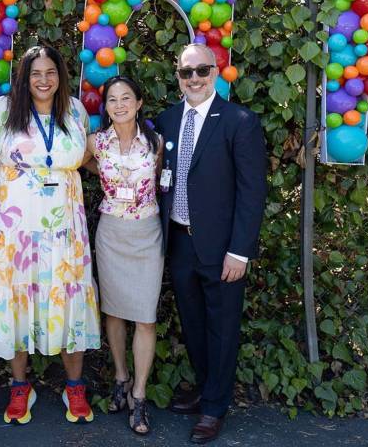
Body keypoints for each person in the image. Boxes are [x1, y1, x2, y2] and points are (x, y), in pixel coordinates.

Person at [154, 44, 268, 444]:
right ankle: (206, 389)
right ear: (178, 76)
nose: (195, 79)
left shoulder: (239, 121)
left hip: (223, 249)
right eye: (188, 73)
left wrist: (240, 251)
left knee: (222, 327)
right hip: (180, 242)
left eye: (203, 70)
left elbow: (252, 192)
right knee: (194, 325)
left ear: (216, 72)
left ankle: (215, 407)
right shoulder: (166, 121)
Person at [0, 45, 101, 425]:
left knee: (69, 298)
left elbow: (86, 157)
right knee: (17, 297)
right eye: (36, 73)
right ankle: (20, 388)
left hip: (65, 229)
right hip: (15, 229)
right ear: (24, 77)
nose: (44, 80)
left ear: (61, 76)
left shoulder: (76, 111)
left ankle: (75, 387)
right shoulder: (1, 110)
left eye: (51, 72)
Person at [84, 76, 163, 436]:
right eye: (112, 99)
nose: (119, 104)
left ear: (139, 102)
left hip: (147, 233)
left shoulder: (157, 142)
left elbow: (162, 179)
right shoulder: (95, 142)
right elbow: (81, 165)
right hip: (112, 232)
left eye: (126, 97)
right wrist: (108, 177)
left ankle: (139, 394)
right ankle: (120, 376)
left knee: (146, 317)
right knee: (113, 311)